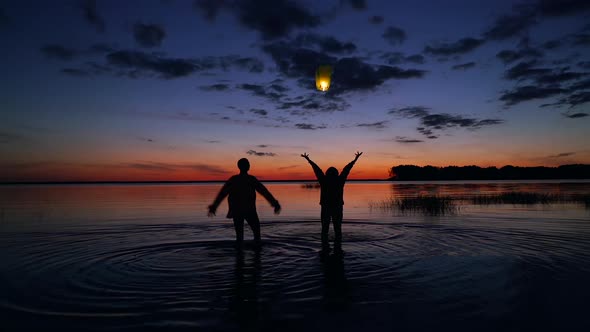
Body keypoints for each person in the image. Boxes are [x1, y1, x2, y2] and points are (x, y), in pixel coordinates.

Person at [208, 158, 281, 246]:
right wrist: (275, 203)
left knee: (239, 237)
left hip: (237, 211)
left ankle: (240, 256)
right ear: (247, 167)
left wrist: (214, 206)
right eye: (248, 164)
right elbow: (264, 192)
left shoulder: (233, 179)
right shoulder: (251, 179)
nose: (249, 165)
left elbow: (222, 194)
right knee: (256, 234)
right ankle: (256, 255)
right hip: (249, 210)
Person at [301, 151, 362, 248]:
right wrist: (355, 159)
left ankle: (325, 250)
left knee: (324, 230)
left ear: (327, 174)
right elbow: (347, 169)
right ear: (337, 174)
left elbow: (317, 169)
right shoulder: (340, 180)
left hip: (326, 207)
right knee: (338, 230)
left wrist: (308, 160)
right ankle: (338, 249)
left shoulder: (323, 180)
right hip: (337, 207)